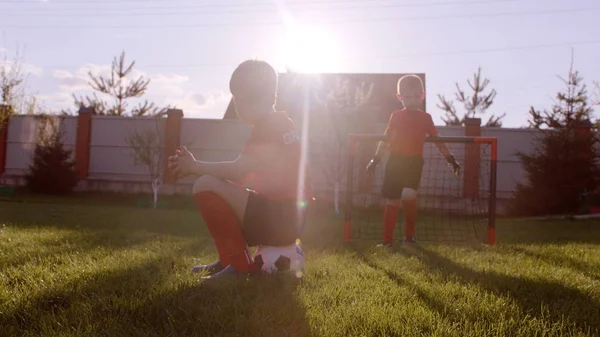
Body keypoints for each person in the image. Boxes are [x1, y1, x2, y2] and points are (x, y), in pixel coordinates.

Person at [168, 59, 312, 279]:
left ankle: (238, 265)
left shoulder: (269, 126)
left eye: (235, 98)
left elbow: (239, 171)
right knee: (219, 185)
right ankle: (229, 261)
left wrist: (194, 166)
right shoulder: (283, 122)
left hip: (279, 218)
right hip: (289, 218)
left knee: (205, 184)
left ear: (243, 98)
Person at [366, 74, 460, 246]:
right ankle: (387, 241)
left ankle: (410, 237)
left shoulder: (426, 118)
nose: (411, 100)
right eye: (407, 97)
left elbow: (437, 140)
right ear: (400, 97)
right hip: (395, 162)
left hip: (414, 163)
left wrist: (450, 158)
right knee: (392, 200)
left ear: (422, 95)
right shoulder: (395, 116)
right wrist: (375, 159)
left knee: (408, 195)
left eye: (415, 96)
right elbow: (385, 140)